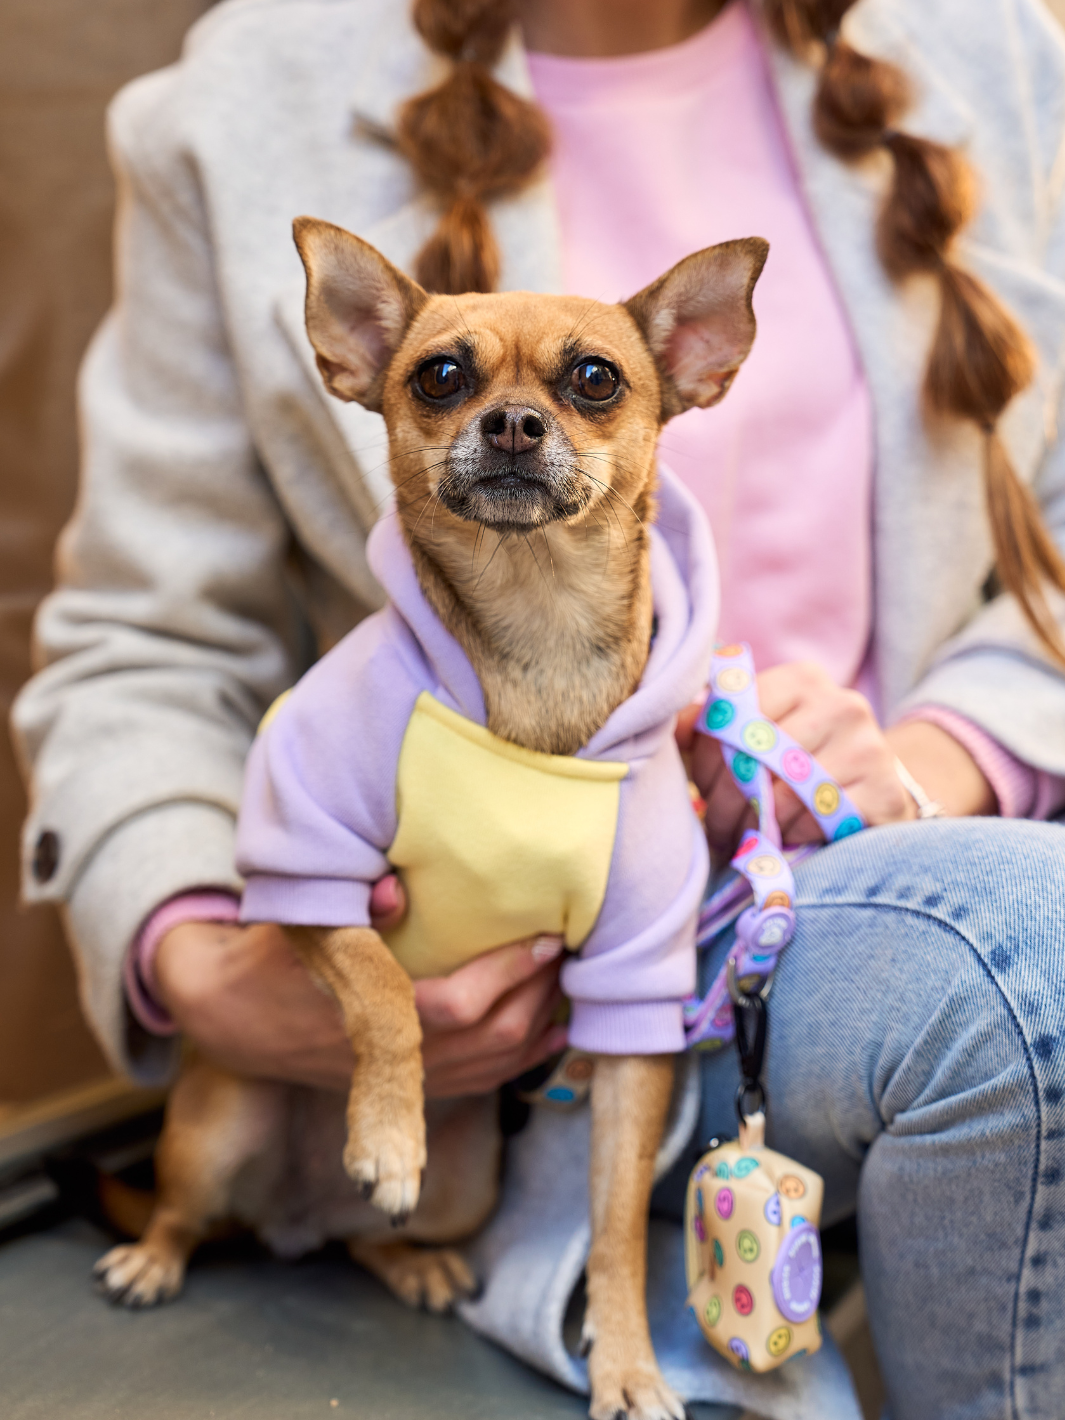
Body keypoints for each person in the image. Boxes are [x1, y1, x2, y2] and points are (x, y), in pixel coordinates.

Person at [12, 0, 1065, 1415]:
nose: (515, 425)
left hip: (836, 885)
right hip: (457, 998)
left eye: (580, 392)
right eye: (448, 387)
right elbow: (145, 634)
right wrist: (199, 959)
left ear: (692, 362)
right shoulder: (244, 93)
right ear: (371, 374)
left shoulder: (1000, 49)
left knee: (1026, 941)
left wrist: (958, 749)